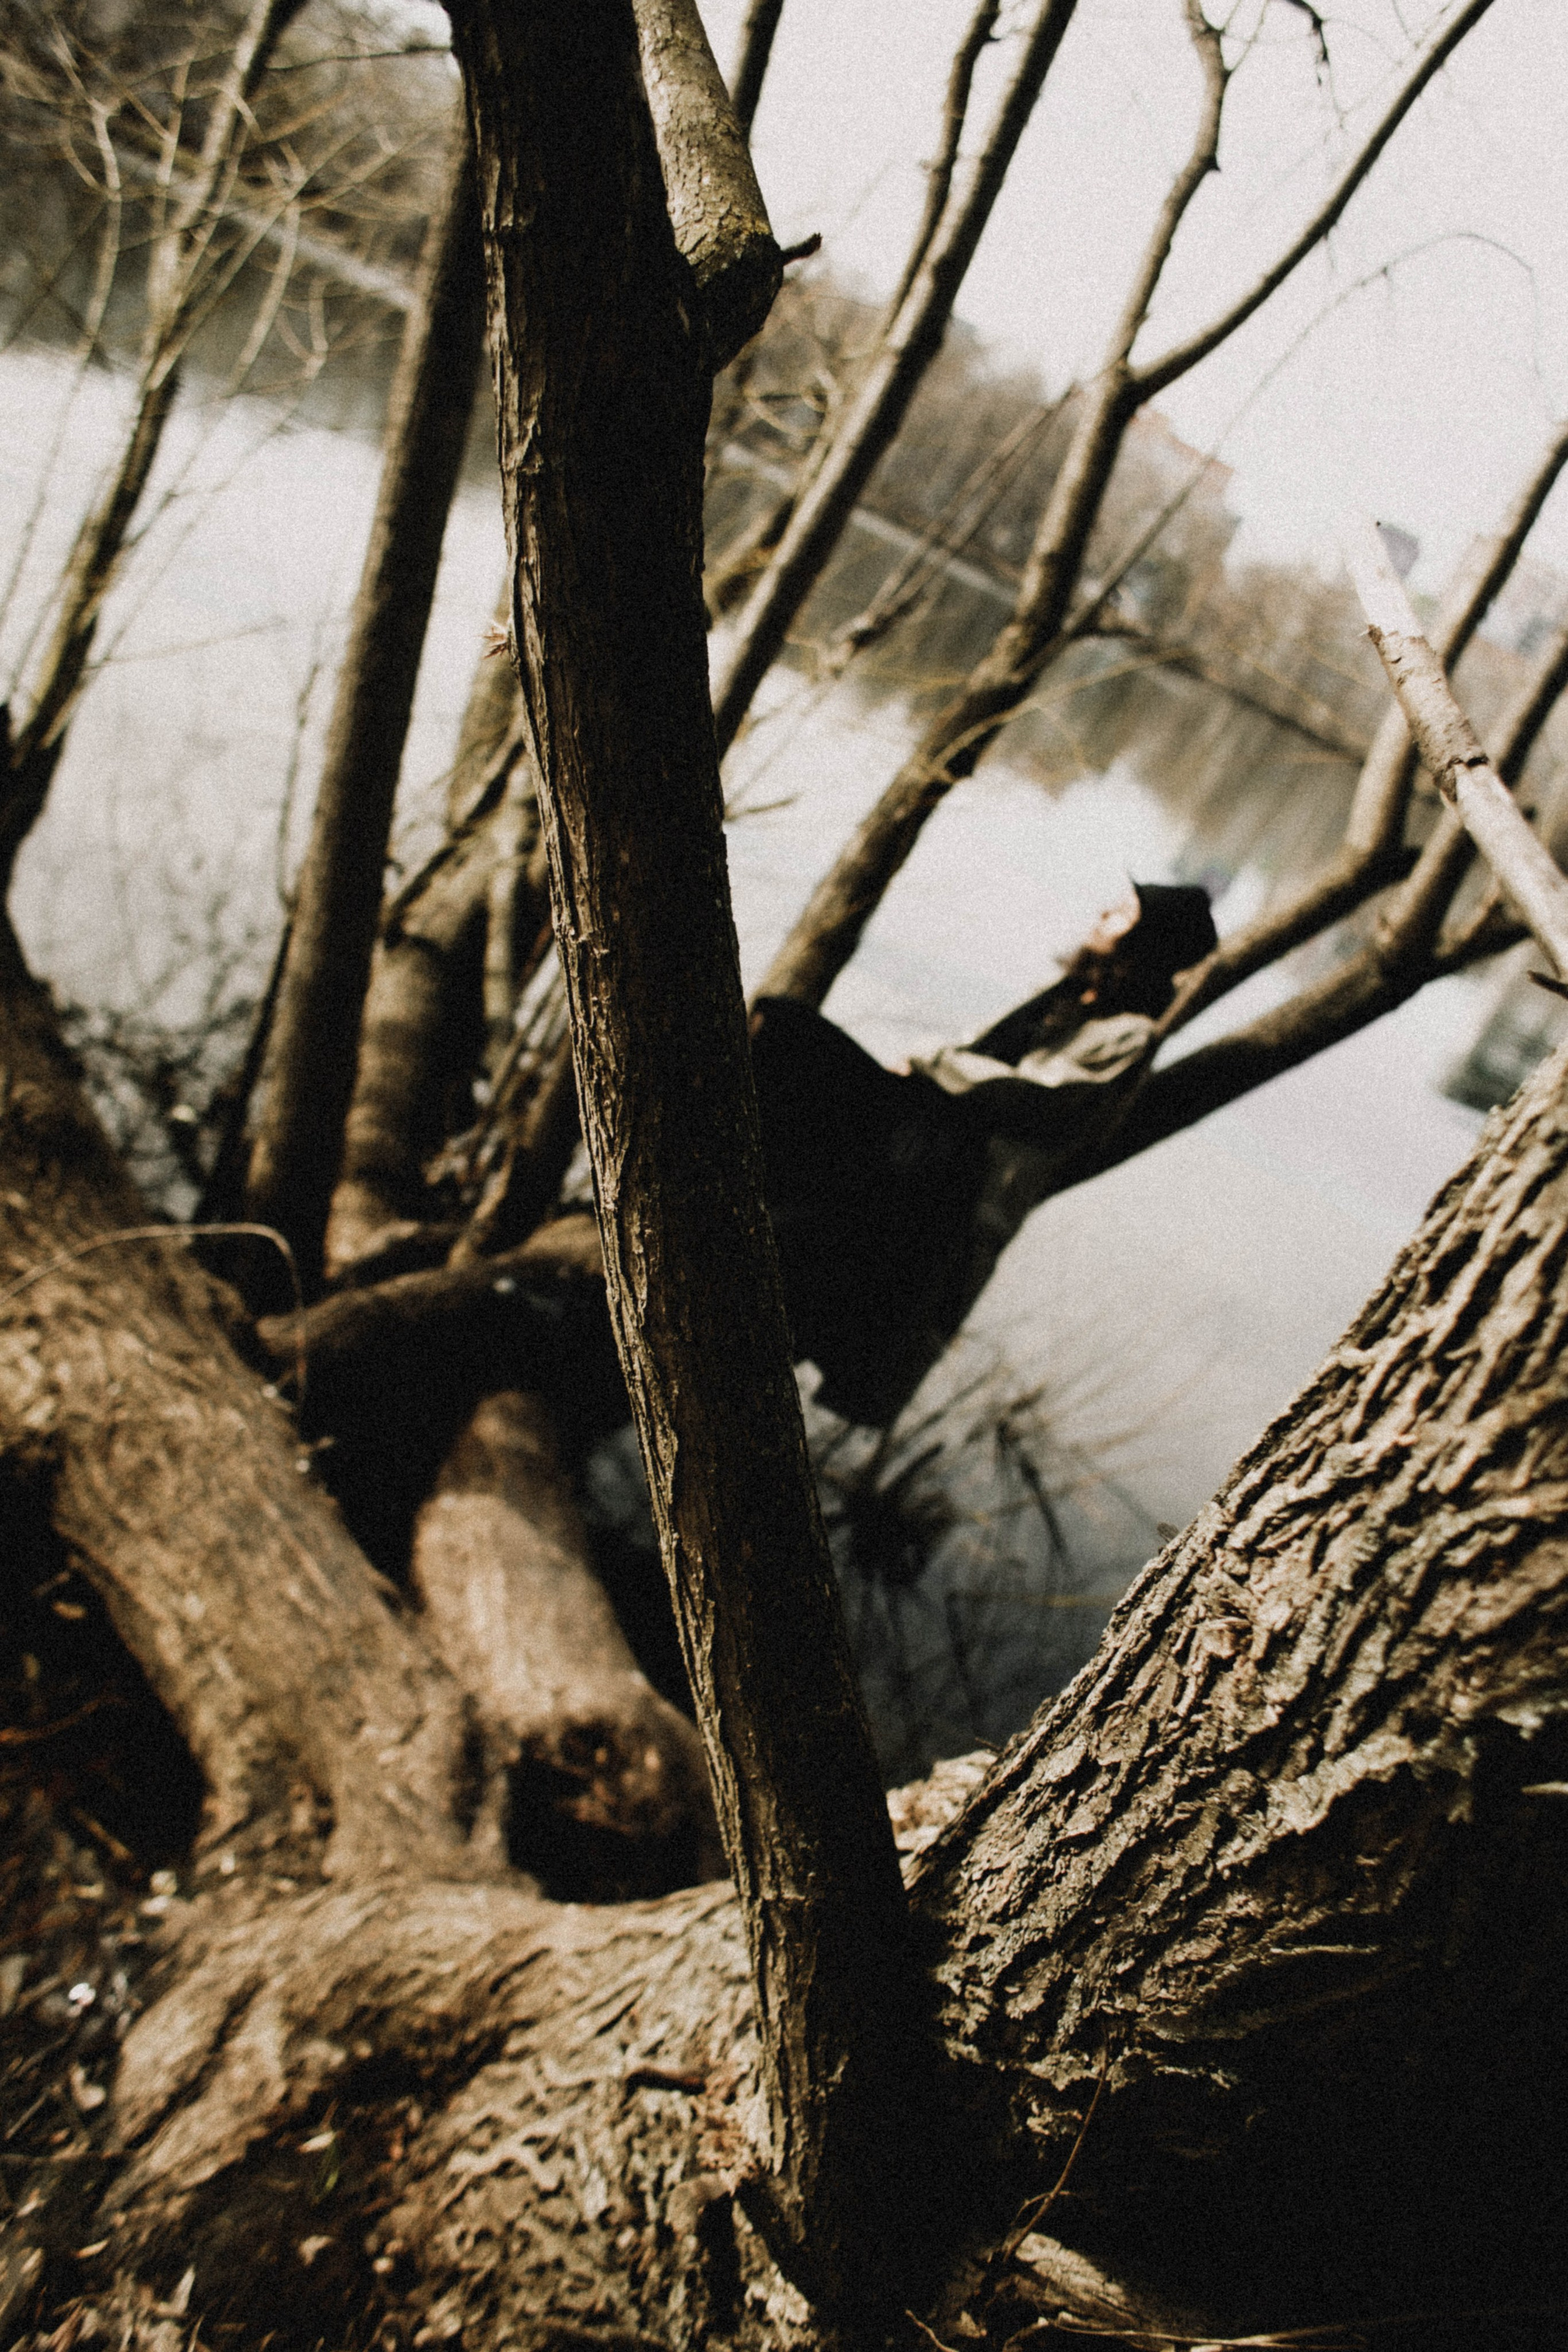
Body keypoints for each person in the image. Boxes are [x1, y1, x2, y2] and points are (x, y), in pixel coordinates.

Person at [749, 881, 1218, 1425]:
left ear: (1148, 941)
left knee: (789, 1039)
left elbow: (1035, 1096)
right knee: (780, 1026)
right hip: (919, 1132)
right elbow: (978, 1054)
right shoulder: (1064, 993)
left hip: (952, 1175)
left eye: (1123, 913)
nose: (1104, 912)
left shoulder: (1130, 1034)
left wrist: (931, 1062)